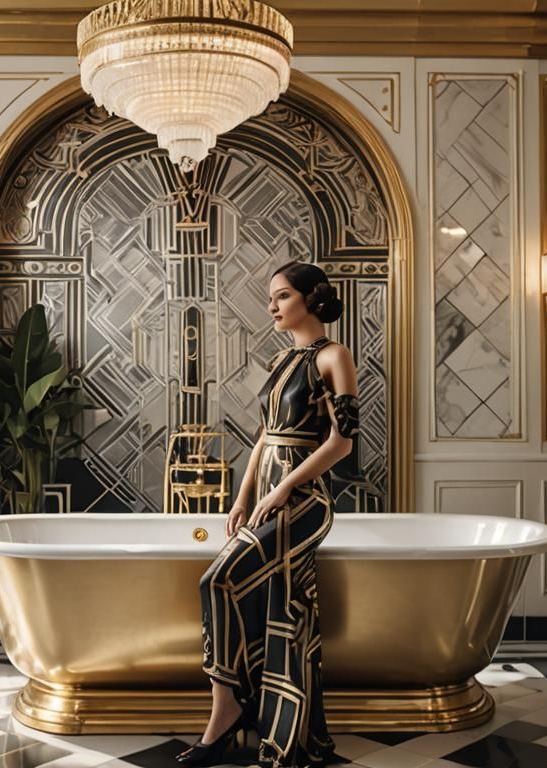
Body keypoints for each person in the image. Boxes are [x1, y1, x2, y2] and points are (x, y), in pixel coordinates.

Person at [179, 262, 359, 768]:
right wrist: (242, 496)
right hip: (268, 495)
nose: (272, 306)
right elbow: (264, 438)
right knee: (271, 603)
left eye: (282, 296)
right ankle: (247, 712)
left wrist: (283, 489)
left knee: (217, 581)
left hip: (305, 501)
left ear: (310, 298)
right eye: (271, 298)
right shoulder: (283, 359)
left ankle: (228, 711)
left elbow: (342, 443)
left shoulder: (334, 355)